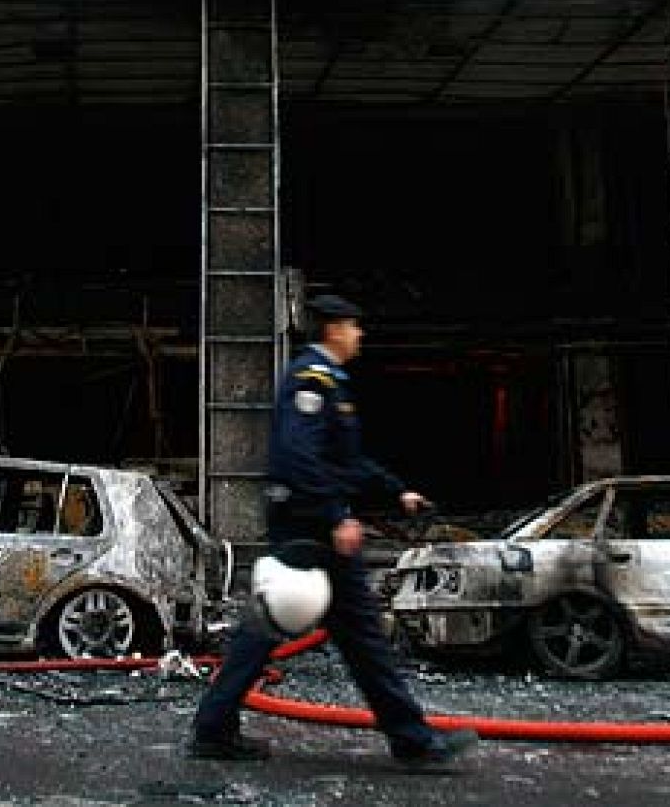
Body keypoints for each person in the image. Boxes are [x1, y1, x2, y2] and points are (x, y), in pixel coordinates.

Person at [187, 294, 479, 770]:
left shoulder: (330, 384)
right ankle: (414, 743)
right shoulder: (312, 380)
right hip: (310, 532)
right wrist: (333, 517)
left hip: (313, 530)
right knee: (327, 636)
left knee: (298, 634)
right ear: (334, 330)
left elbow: (346, 461)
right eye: (354, 326)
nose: (359, 335)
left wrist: (396, 491)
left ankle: (213, 728)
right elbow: (296, 458)